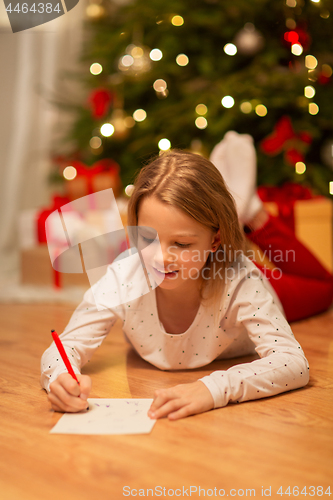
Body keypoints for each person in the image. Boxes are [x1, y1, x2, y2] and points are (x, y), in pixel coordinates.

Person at [41, 146, 316, 420]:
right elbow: (67, 345)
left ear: (215, 239)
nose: (160, 259)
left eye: (181, 244)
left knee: (324, 287)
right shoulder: (125, 274)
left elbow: (294, 363)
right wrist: (60, 377)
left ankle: (253, 213)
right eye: (147, 239)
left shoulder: (242, 281)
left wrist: (212, 388)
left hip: (264, 287)